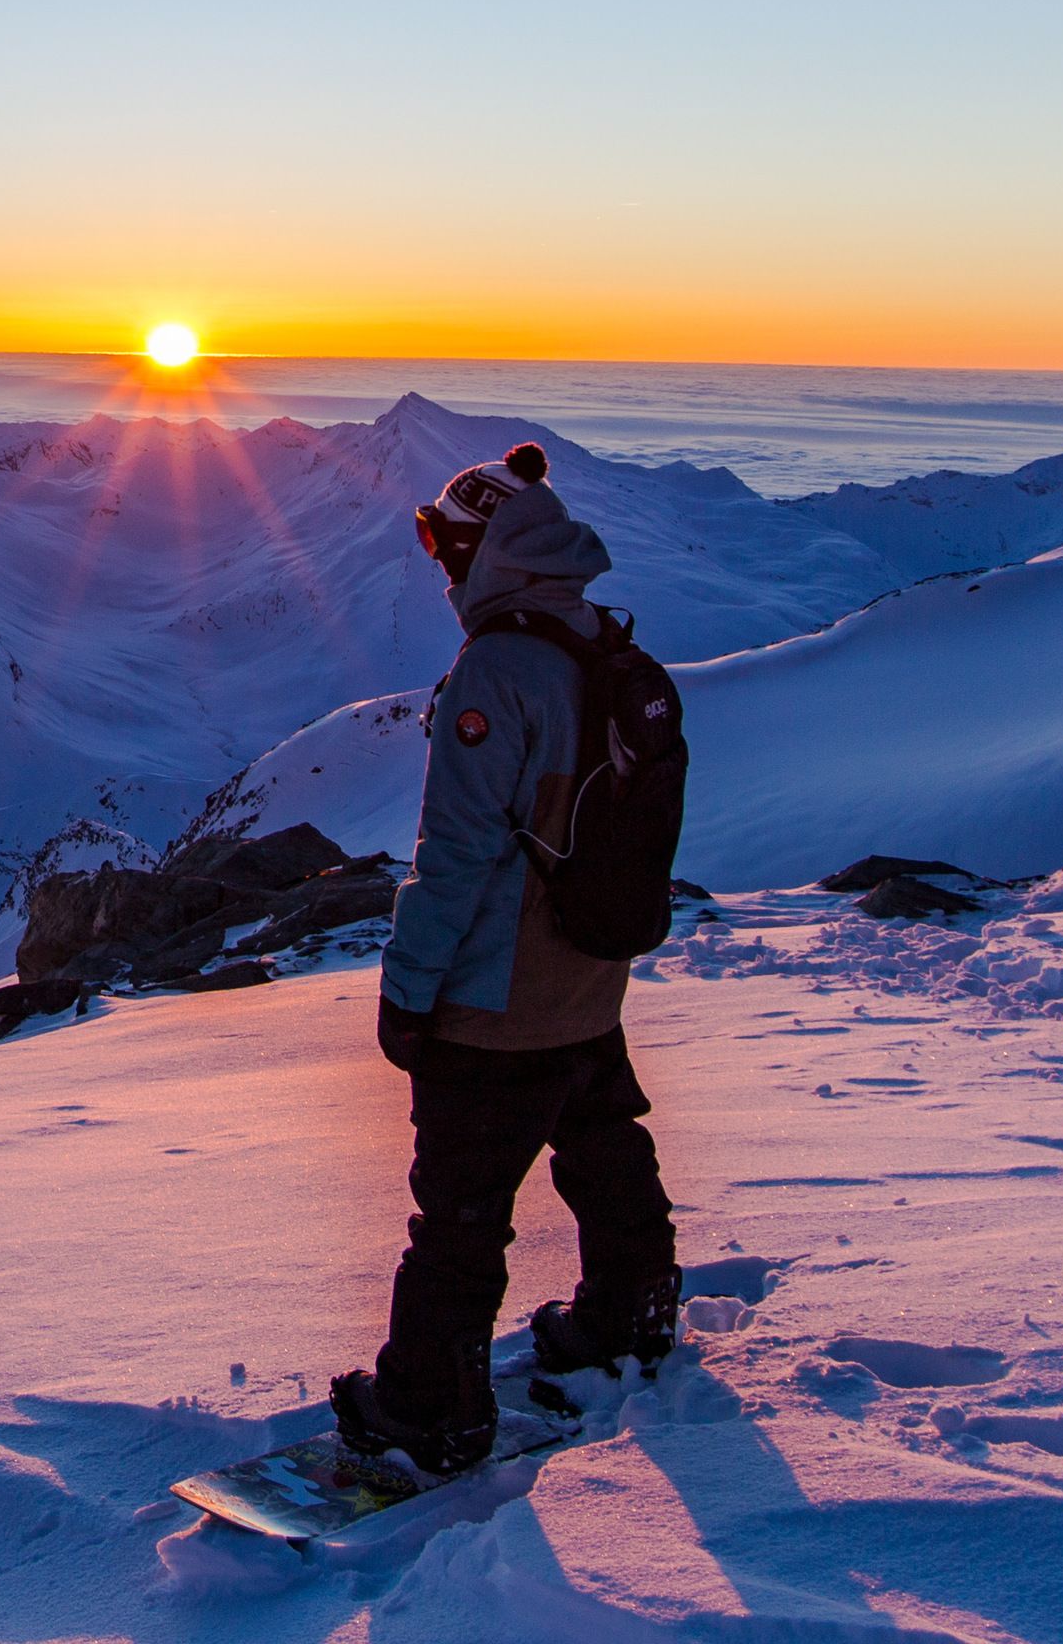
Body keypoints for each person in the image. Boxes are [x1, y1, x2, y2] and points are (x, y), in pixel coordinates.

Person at [332, 440, 681, 1473]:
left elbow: (456, 856)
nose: (444, 568)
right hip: (589, 983)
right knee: (604, 1145)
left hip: (496, 998)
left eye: (449, 547)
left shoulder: (498, 668)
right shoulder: (598, 641)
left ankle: (429, 1408)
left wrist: (408, 994)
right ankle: (631, 1310)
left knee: (459, 1210)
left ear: (487, 549)